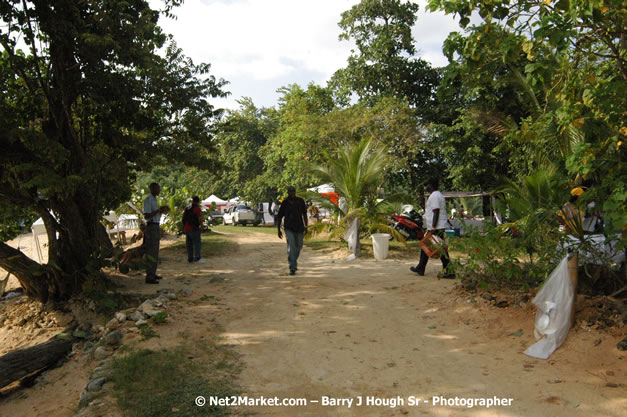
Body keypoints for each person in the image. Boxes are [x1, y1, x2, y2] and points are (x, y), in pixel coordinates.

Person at [410, 178, 454, 278]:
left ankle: (450, 272)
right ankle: (421, 268)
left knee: (441, 249)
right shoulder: (438, 195)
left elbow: (436, 211)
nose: (426, 187)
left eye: (427, 185)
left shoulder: (434, 196)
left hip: (437, 227)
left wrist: (433, 227)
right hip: (438, 226)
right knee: (426, 245)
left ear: (432, 185)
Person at [277, 186, 308, 275]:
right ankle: (292, 267)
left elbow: (305, 215)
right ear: (288, 192)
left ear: (295, 192)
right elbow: (279, 217)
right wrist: (278, 230)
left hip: (299, 227)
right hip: (288, 228)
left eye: (293, 191)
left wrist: (306, 226)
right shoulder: (285, 203)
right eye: (290, 191)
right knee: (291, 247)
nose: (292, 193)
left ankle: (293, 261)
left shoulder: (300, 201)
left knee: (299, 246)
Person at [143, 183, 170, 284]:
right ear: (152, 189)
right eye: (158, 188)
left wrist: (161, 210)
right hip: (151, 226)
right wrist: (159, 210)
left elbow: (155, 213)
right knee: (151, 251)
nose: (159, 190)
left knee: (155, 251)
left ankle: (153, 273)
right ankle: (149, 276)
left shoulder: (154, 200)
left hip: (156, 226)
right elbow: (146, 216)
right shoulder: (148, 200)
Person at [184, 196, 204, 263]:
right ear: (198, 201)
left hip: (187, 228)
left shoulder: (187, 207)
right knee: (197, 243)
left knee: (189, 244)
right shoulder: (197, 208)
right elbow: (199, 218)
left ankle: (190, 258)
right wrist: (201, 226)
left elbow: (184, 217)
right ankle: (197, 258)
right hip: (194, 228)